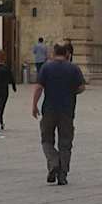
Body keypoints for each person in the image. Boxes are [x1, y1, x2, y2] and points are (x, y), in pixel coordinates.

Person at [31, 40, 87, 185]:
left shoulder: (46, 67)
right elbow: (82, 87)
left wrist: (34, 105)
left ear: (54, 52)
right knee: (65, 143)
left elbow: (38, 87)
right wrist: (71, 92)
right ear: (67, 53)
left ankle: (53, 162)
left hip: (49, 109)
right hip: (67, 110)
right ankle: (63, 174)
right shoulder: (73, 68)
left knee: (46, 140)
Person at [0, 55, 16, 130]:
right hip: (3, 89)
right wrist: (14, 87)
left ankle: (0, 122)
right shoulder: (6, 68)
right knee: (1, 106)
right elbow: (11, 78)